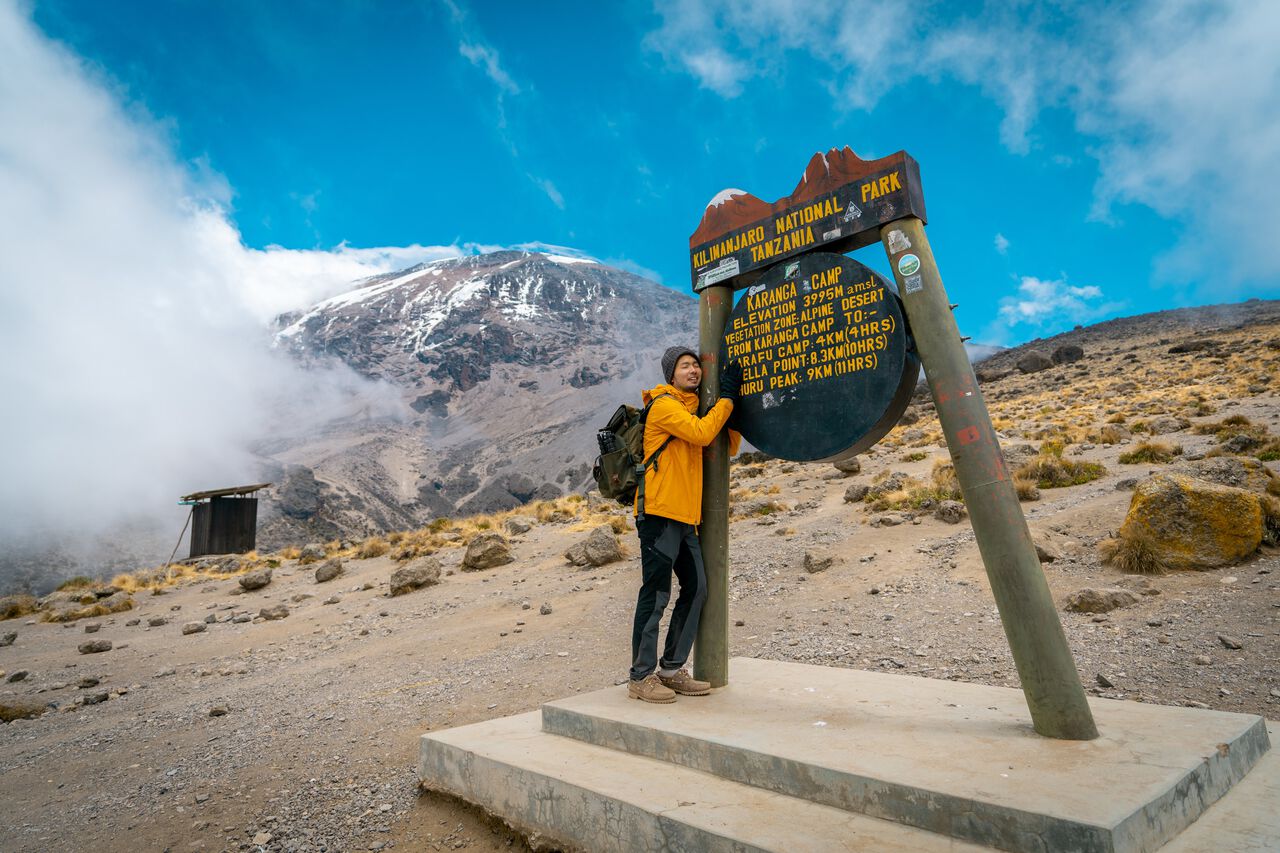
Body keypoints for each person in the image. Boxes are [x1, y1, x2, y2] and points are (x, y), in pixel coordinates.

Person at [628, 346, 740, 703]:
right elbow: (703, 433)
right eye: (685, 366)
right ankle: (640, 677)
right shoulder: (664, 406)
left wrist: (728, 409)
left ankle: (671, 670)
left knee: (697, 588)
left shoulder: (692, 409)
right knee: (656, 594)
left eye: (695, 365)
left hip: (686, 518)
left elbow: (726, 446)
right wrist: (727, 400)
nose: (693, 370)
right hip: (659, 514)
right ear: (671, 375)